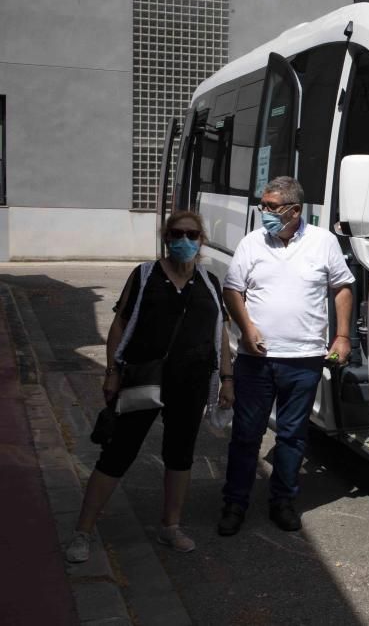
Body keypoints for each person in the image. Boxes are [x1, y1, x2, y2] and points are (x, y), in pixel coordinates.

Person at [65, 211, 234, 563]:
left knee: (180, 455)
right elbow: (119, 325)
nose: (184, 240)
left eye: (191, 234)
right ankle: (83, 531)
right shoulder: (145, 275)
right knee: (118, 453)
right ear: (166, 237)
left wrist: (227, 380)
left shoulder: (209, 281)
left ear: (201, 240)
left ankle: (170, 526)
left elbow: (220, 334)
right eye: (177, 233)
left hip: (191, 385)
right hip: (143, 380)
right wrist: (111, 371)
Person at [218, 176, 354, 535]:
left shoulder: (323, 242)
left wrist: (342, 336)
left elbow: (341, 287)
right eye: (262, 205)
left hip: (305, 360)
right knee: (246, 434)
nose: (264, 212)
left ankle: (282, 502)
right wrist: (246, 328)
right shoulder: (252, 243)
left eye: (271, 207)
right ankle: (235, 503)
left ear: (294, 211)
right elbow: (232, 289)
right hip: (257, 360)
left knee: (292, 437)